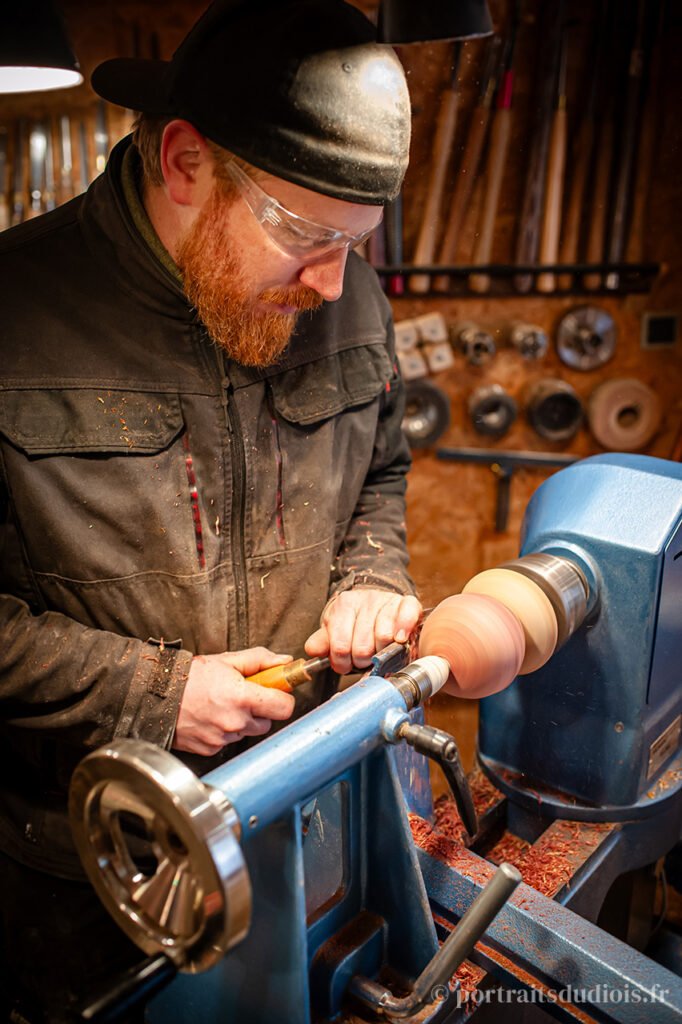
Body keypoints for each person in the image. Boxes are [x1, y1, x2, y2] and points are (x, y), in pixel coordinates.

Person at [0, 0, 421, 1019]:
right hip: (92, 871)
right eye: (309, 235)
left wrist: (372, 576)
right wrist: (150, 692)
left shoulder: (347, 294)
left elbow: (381, 474)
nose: (334, 284)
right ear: (186, 161)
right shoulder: (15, 311)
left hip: (303, 819)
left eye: (357, 242)